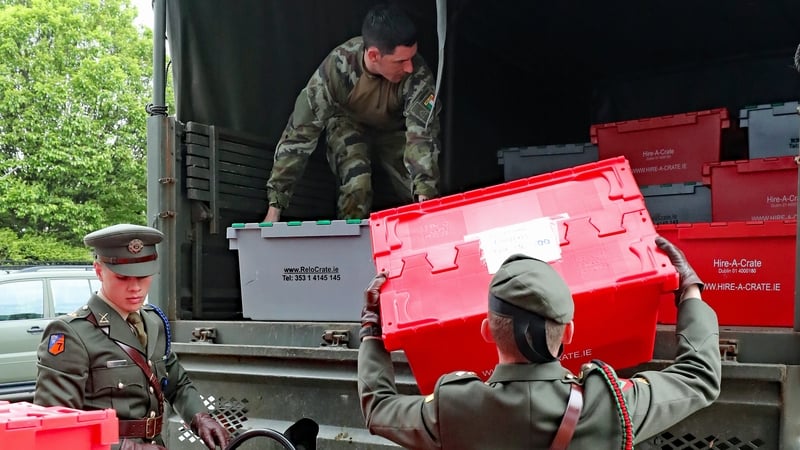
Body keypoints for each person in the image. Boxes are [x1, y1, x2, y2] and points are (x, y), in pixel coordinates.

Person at [357, 236, 722, 449]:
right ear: (569, 334)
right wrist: (688, 289)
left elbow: (379, 410)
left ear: (487, 331)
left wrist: (374, 329)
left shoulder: (455, 408)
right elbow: (699, 377)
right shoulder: (611, 404)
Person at [34, 224, 230, 450]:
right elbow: (56, 428)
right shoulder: (72, 333)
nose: (135, 287)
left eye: (144, 276)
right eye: (122, 278)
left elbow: (177, 384)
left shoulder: (152, 322)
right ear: (99, 271)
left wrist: (200, 416)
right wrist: (129, 448)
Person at [263, 3, 441, 222]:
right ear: (374, 55)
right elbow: (299, 134)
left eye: (411, 58)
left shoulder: (418, 74)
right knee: (357, 185)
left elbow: (421, 136)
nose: (409, 68)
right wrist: (275, 206)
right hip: (348, 124)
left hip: (395, 131)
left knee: (421, 194)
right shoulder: (337, 68)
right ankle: (351, 244)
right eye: (400, 61)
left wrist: (425, 202)